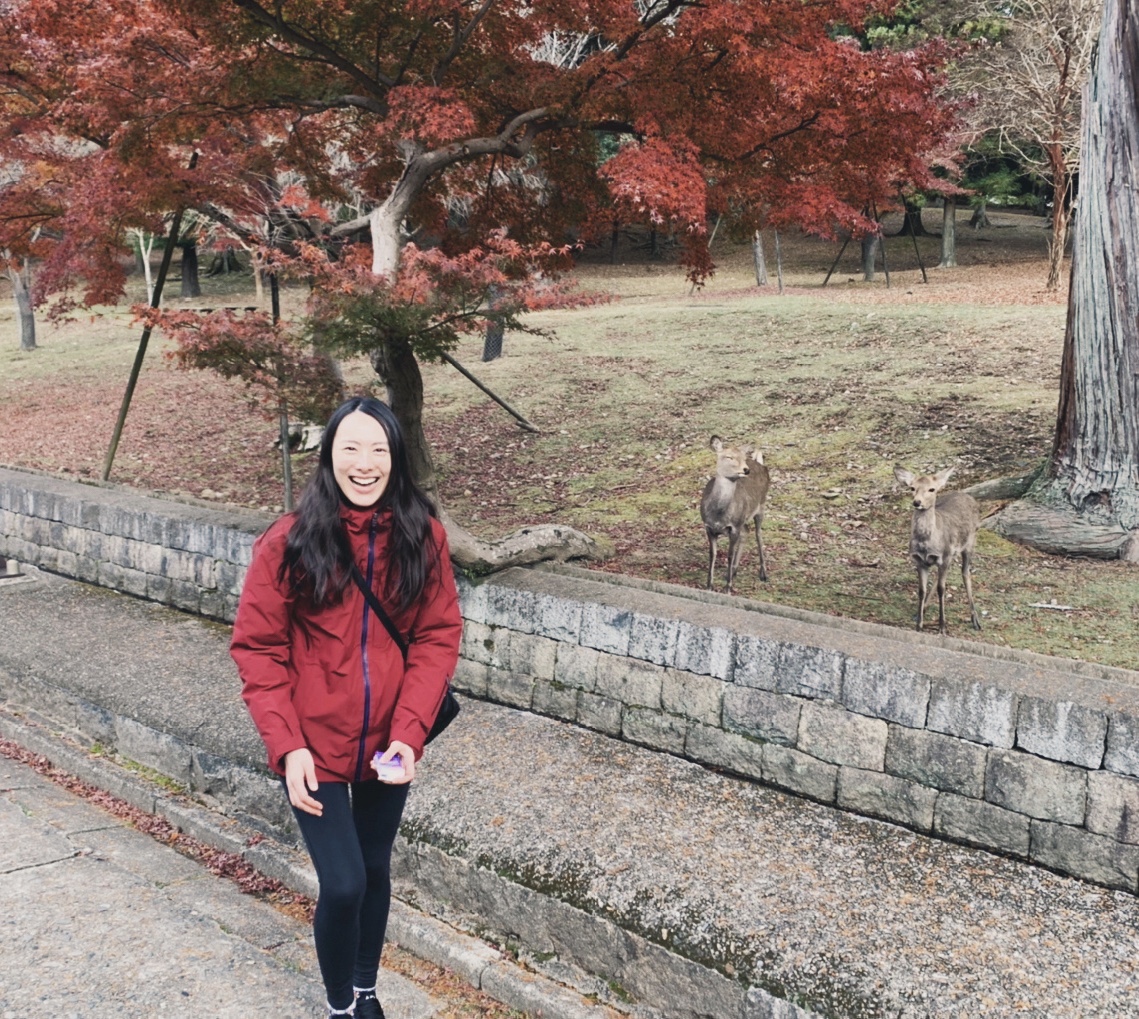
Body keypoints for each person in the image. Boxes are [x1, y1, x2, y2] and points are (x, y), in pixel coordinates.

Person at [231, 396, 463, 1019]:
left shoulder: (423, 536)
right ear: (329, 454)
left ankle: (365, 990)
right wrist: (288, 745)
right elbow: (258, 648)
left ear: (397, 458)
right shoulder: (289, 540)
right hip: (311, 745)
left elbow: (438, 638)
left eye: (379, 449)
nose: (365, 463)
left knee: (376, 870)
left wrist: (410, 736)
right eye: (351, 447)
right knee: (344, 883)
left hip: (391, 741)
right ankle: (339, 1006)